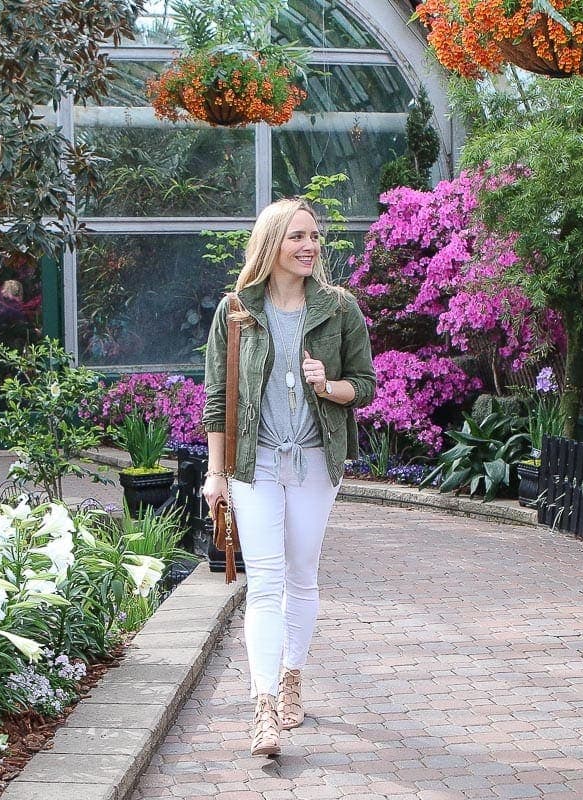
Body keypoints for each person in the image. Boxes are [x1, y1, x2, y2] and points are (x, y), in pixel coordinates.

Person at [202, 198, 376, 757]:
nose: (309, 247)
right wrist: (215, 473)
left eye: (315, 237)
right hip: (254, 465)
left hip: (316, 461)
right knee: (266, 582)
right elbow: (216, 401)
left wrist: (329, 386)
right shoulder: (236, 312)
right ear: (271, 244)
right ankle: (264, 706)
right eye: (297, 237)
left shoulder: (339, 308)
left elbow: (364, 388)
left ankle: (292, 675)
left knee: (301, 576)